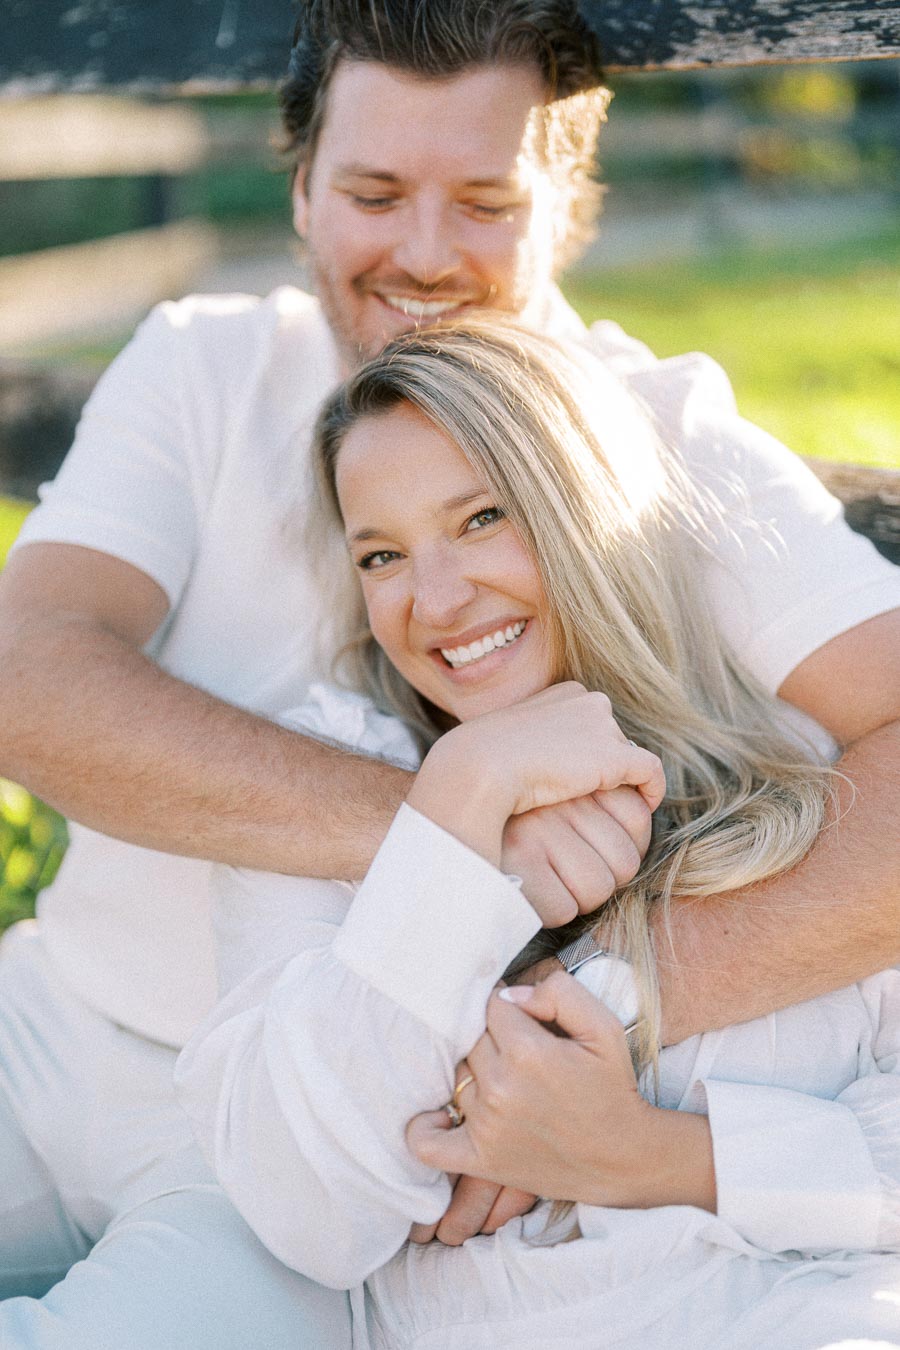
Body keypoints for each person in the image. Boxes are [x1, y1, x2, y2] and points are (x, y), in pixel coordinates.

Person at [0, 0, 895, 1343]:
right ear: (302, 189)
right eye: (372, 191)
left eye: (484, 199)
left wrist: (553, 1030)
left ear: (566, 206)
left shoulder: (655, 445)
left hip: (288, 1140)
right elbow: (26, 674)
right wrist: (463, 832)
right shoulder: (206, 367)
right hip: (52, 1022)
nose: (423, 252)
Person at [176, 318, 900, 1349]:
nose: (434, 600)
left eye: (480, 519)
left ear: (581, 510)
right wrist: (461, 804)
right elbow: (305, 1211)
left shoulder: (806, 770)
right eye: (382, 554)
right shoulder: (335, 779)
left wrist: (653, 1157)